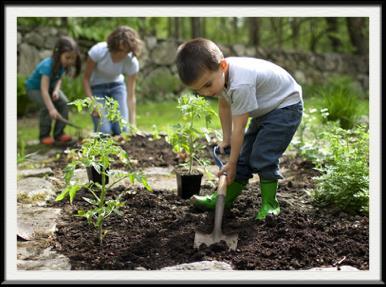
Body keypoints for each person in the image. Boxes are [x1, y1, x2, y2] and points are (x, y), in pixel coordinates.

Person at [175, 38, 303, 221]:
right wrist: (226, 139)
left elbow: (240, 127)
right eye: (198, 91)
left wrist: (232, 163)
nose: (205, 93)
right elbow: (224, 107)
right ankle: (223, 199)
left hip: (286, 106)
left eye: (208, 85)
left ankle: (270, 204)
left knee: (262, 155)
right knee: (243, 157)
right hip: (266, 108)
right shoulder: (221, 75)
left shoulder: (241, 83)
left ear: (223, 66)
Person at [83, 26, 143, 135]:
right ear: (113, 46)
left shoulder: (131, 62)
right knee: (104, 131)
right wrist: (93, 103)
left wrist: (133, 125)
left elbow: (131, 96)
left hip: (117, 87)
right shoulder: (98, 51)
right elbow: (86, 79)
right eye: (119, 50)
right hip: (97, 88)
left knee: (122, 130)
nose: (122, 54)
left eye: (126, 51)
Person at [25, 36, 81, 145]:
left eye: (73, 58)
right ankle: (44, 136)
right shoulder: (47, 66)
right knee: (46, 107)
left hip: (51, 87)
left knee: (64, 103)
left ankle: (59, 134)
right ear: (58, 54)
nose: (70, 61)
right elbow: (44, 90)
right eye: (67, 57)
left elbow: (58, 79)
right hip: (34, 89)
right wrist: (52, 109)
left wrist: (56, 90)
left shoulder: (62, 64)